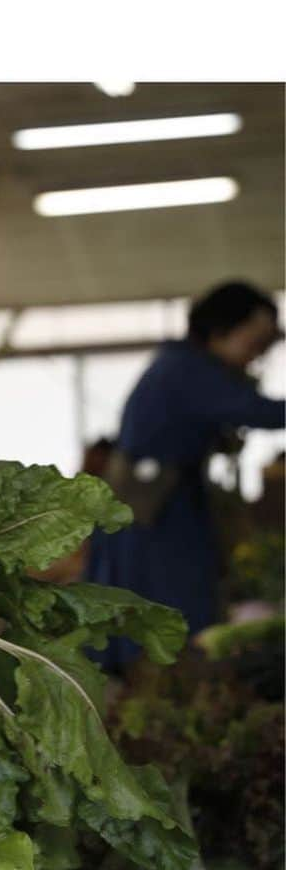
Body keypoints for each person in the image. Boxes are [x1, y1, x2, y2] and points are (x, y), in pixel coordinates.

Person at [85, 280, 284, 674]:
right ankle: (164, 689)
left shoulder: (183, 364)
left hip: (165, 502)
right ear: (221, 329)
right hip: (154, 510)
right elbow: (260, 412)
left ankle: (162, 688)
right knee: (170, 606)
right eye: (254, 343)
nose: (256, 357)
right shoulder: (187, 369)